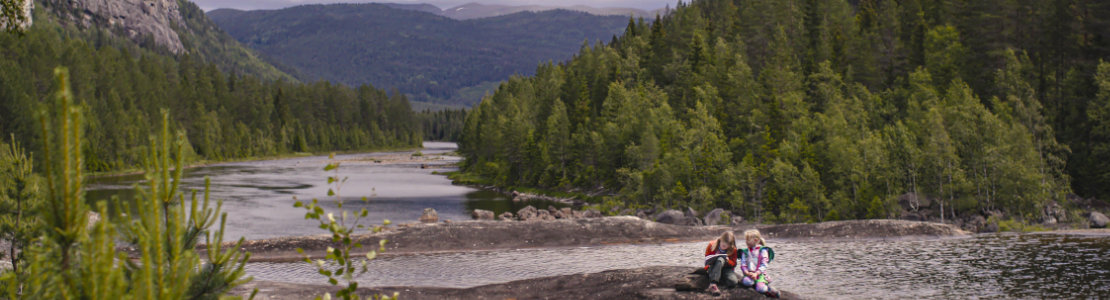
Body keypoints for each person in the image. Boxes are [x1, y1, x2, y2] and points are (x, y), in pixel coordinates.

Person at [740, 229, 778, 297]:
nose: (746, 242)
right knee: (747, 282)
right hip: (749, 274)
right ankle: (754, 284)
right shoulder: (745, 251)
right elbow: (743, 264)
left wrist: (756, 273)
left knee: (761, 289)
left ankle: (768, 289)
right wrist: (747, 273)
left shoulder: (763, 250)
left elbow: (764, 264)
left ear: (755, 240)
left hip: (759, 274)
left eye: (748, 240)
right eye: (746, 240)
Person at [703, 231, 738, 295]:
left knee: (733, 282)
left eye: (727, 244)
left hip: (726, 268)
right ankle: (713, 284)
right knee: (720, 259)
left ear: (730, 245)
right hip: (713, 267)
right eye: (723, 242)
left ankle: (720, 278)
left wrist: (728, 261)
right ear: (720, 239)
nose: (724, 245)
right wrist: (707, 268)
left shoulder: (733, 250)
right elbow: (707, 259)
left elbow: (734, 263)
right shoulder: (711, 245)